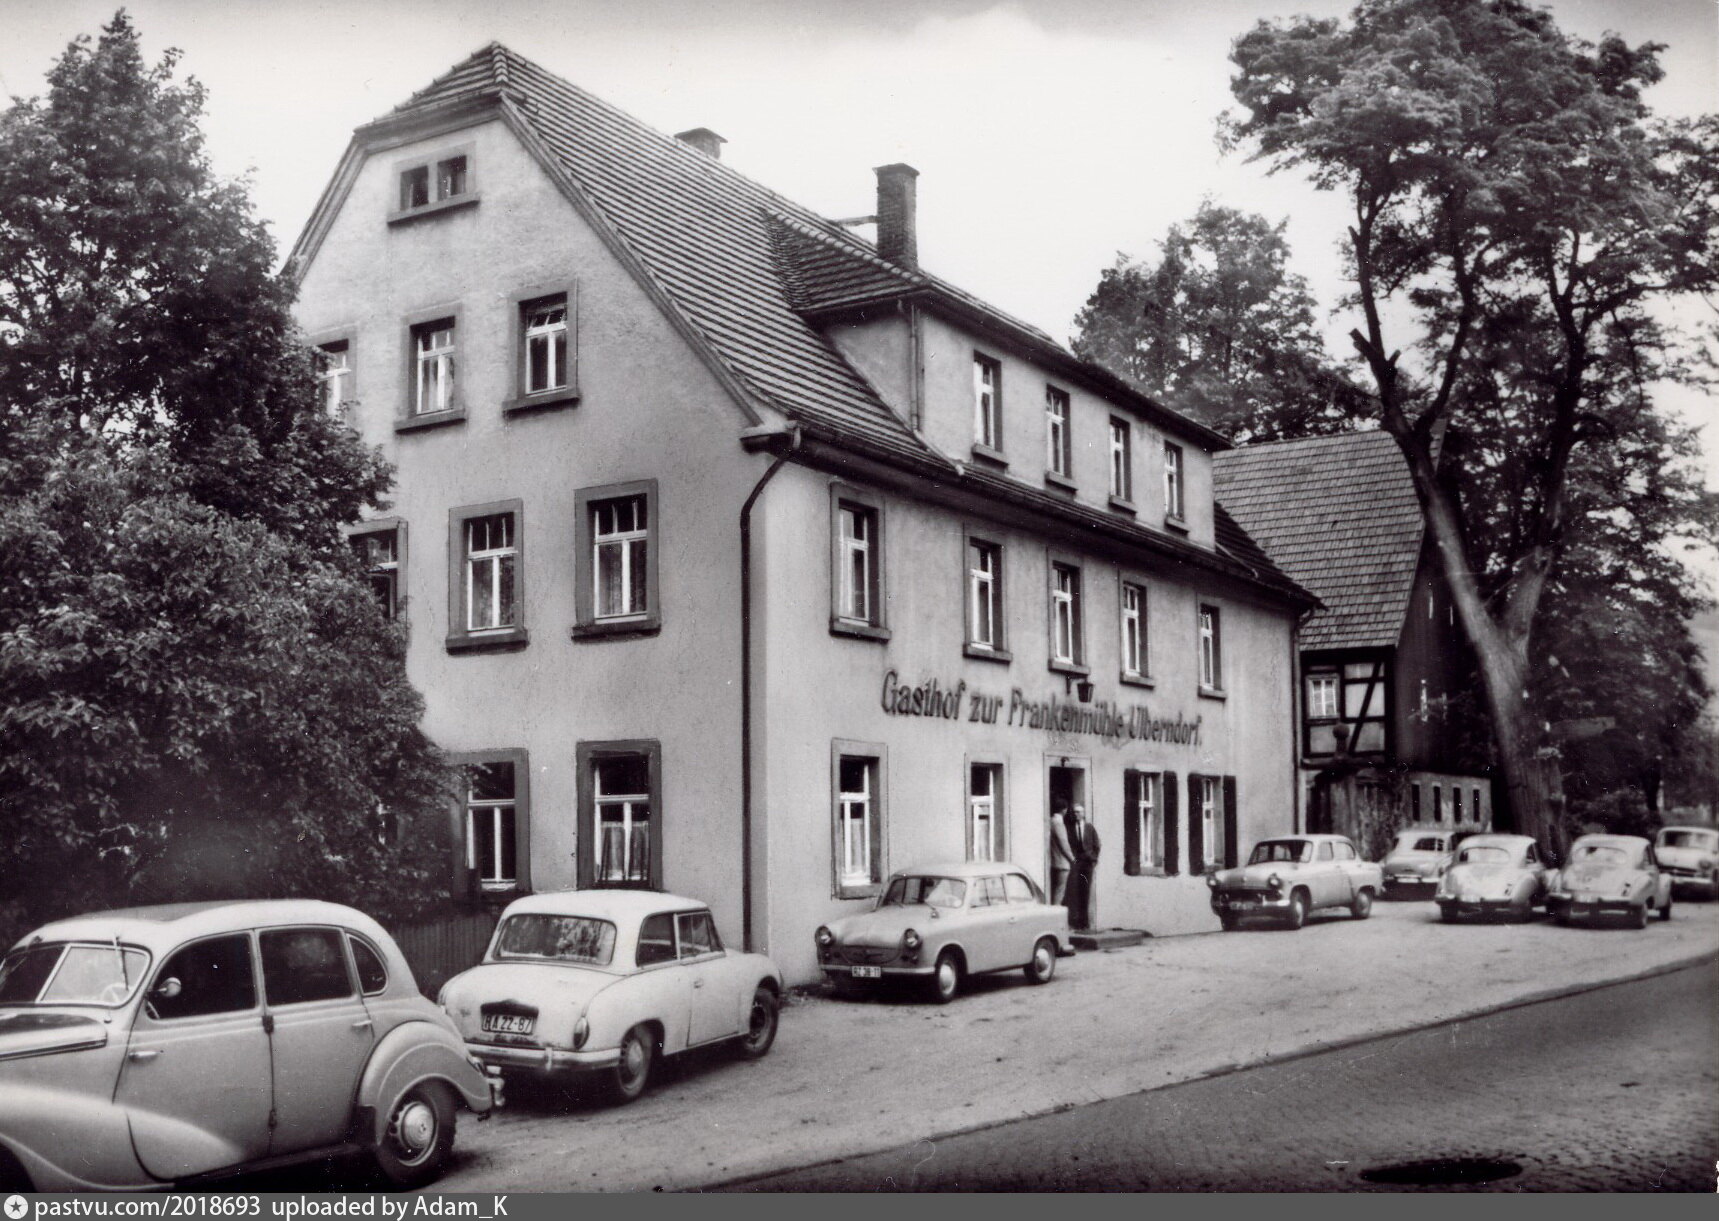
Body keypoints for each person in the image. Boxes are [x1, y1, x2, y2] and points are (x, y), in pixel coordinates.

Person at [1067, 804, 1101, 931]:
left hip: (1087, 863)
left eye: (1079, 812)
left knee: (1085, 891)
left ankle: (1085, 922)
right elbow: (1070, 845)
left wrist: (1094, 858)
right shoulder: (1070, 828)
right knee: (1075, 891)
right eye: (1075, 812)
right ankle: (1076, 922)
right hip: (1077, 863)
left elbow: (1097, 844)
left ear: (1083, 814)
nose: (1076, 814)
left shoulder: (1089, 827)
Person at [1049, 805, 1075, 906]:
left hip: (1054, 861)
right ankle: (1055, 913)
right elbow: (1064, 844)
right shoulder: (1058, 823)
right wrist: (1073, 859)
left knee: (1056, 890)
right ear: (1064, 810)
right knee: (1060, 892)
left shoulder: (1050, 820)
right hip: (1062, 863)